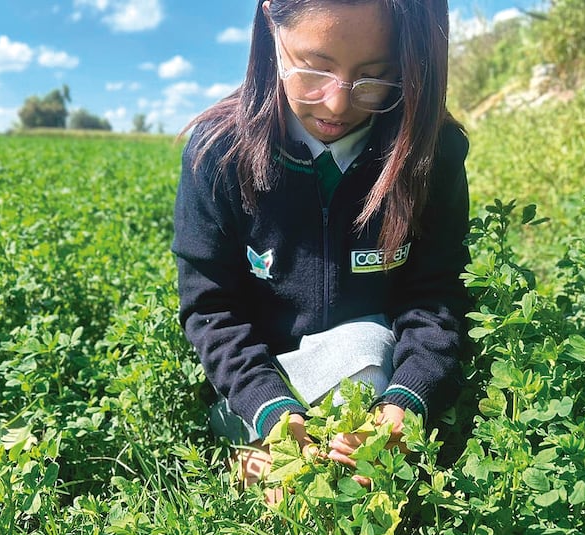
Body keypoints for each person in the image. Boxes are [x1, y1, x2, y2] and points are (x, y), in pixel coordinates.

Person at [172, 0, 470, 492]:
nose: (335, 105)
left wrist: (404, 404)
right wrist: (271, 410)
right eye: (314, 68)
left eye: (375, 77)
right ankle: (262, 449)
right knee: (292, 472)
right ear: (272, 25)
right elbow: (211, 308)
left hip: (382, 370)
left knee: (368, 346)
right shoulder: (218, 151)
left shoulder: (431, 153)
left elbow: (437, 297)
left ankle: (296, 467)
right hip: (263, 378)